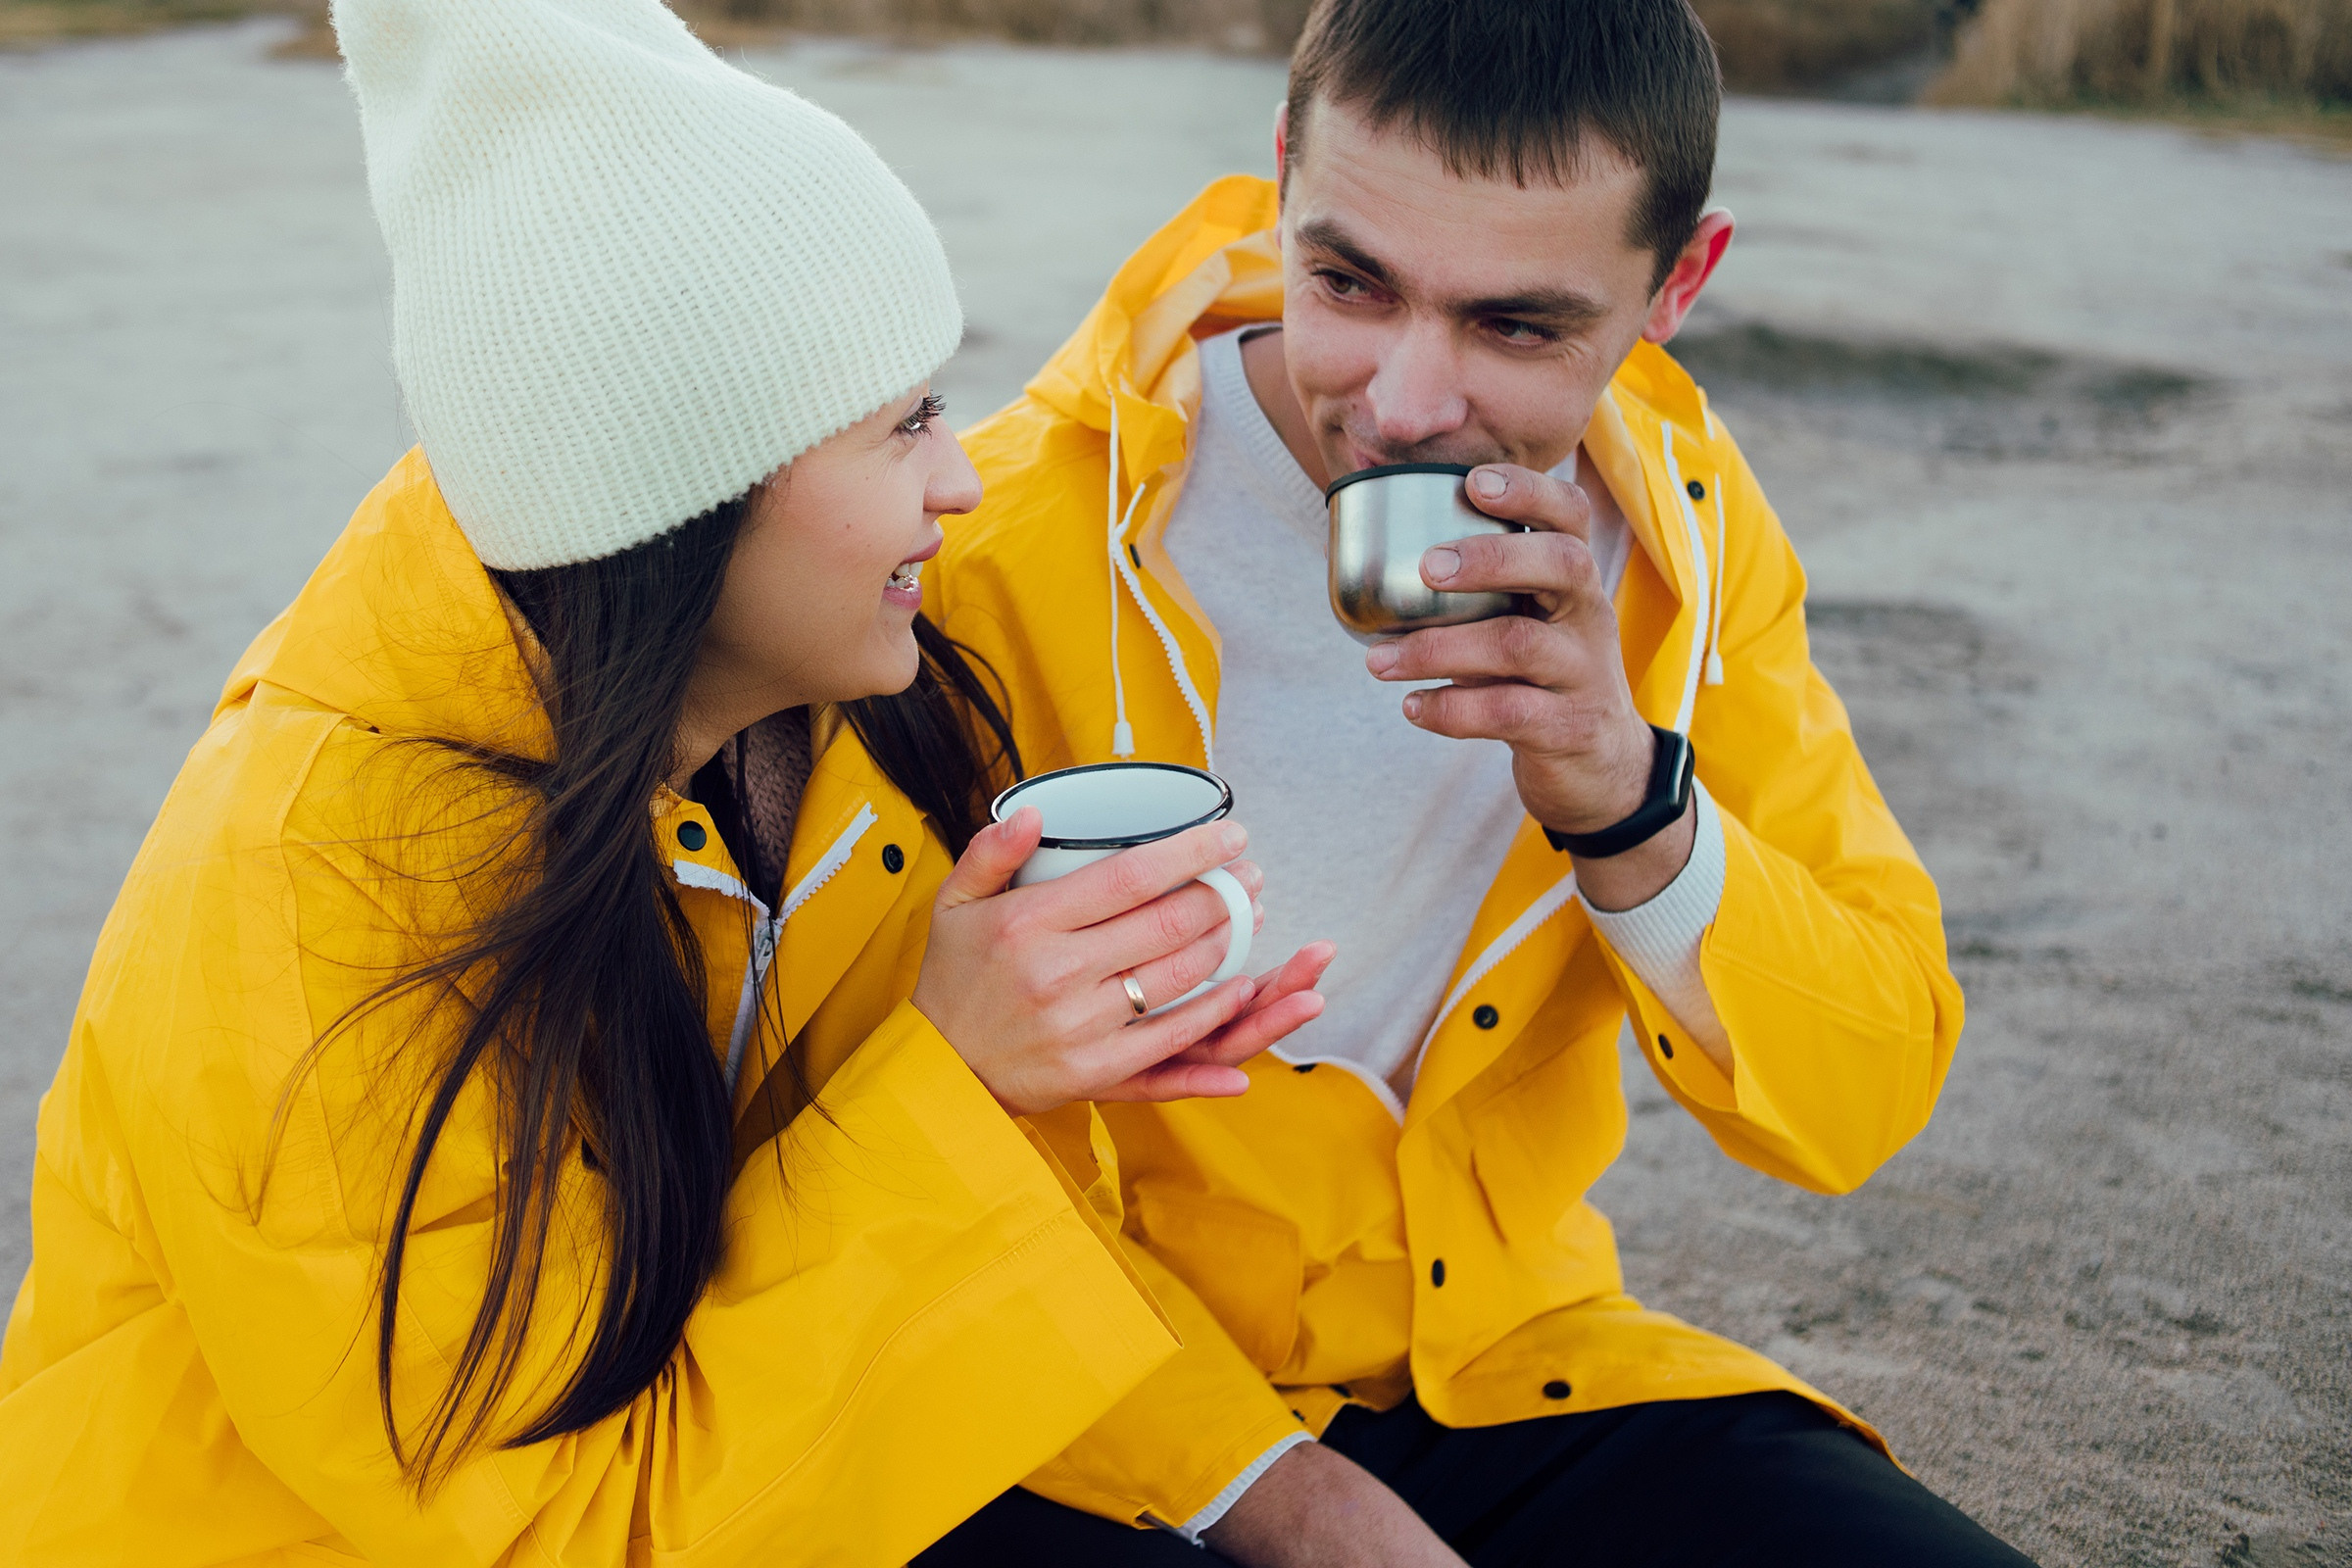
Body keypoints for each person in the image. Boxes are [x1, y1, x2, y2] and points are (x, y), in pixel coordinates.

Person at [0, 1, 1334, 1562]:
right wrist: (960, 1086)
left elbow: (832, 1264)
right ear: (677, 492)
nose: (963, 479)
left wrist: (1278, 1491)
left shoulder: (818, 718)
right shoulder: (300, 909)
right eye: (903, 422)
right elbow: (567, 1528)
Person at [914, 1, 2034, 1564]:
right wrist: (1288, 1499)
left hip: (1499, 1360)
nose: (1407, 401)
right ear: (1284, 172)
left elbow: (1861, 1097)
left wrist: (1629, 801)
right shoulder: (987, 548)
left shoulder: (1687, 545)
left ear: (1678, 285)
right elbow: (870, 1157)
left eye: (1517, 326)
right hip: (1076, 1387)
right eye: (1349, 283)